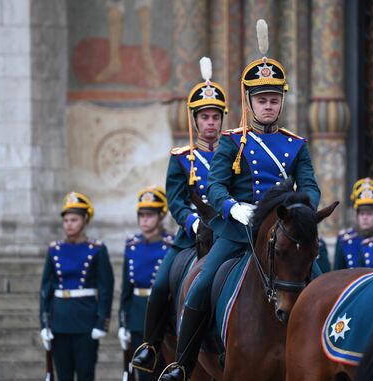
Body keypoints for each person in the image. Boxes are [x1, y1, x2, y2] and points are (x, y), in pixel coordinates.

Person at [158, 19, 321, 381]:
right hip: (236, 234)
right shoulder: (233, 142)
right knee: (199, 285)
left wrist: (301, 210)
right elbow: (215, 186)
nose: (268, 106)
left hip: (283, 232)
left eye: (274, 99)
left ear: (281, 101)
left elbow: (311, 187)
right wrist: (233, 207)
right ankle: (182, 365)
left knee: (323, 282)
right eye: (262, 99)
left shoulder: (297, 145)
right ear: (249, 101)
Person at [131, 57, 229, 373]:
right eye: (205, 117)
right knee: (160, 286)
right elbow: (175, 201)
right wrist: (194, 221)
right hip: (191, 239)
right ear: (195, 121)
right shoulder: (181, 159)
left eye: (215, 117)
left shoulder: (236, 155)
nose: (211, 123)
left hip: (227, 234)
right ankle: (150, 346)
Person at [39, 192, 114, 381]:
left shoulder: (97, 250)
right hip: (60, 320)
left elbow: (106, 288)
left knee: (85, 374)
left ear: (85, 221)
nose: (69, 224)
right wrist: (44, 324)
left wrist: (101, 321)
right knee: (63, 375)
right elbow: (45, 290)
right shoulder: (54, 250)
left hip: (85, 319)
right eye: (66, 220)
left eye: (74, 220)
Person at [118, 186, 173, 381]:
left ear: (161, 216)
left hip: (163, 317)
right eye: (141, 215)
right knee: (142, 374)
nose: (144, 220)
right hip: (137, 315)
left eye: (149, 215)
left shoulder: (171, 245)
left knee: (163, 370)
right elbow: (126, 289)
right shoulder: (131, 246)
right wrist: (122, 322)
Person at [334, 182, 373, 270]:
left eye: (369, 214)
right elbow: (337, 274)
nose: (365, 218)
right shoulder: (345, 240)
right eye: (362, 214)